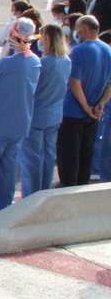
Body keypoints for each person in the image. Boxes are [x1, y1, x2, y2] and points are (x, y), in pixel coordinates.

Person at [0, 18, 41, 215]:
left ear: (14, 35)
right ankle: (4, 208)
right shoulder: (35, 61)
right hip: (20, 123)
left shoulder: (7, 62)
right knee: (8, 168)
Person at [57, 15, 111, 186]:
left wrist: (86, 107)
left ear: (85, 29)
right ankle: (81, 185)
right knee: (86, 152)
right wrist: (101, 103)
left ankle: (67, 186)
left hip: (73, 112)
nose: (76, 32)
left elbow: (75, 82)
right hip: (94, 113)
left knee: (68, 153)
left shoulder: (78, 51)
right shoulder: (107, 50)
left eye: (78, 29)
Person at [19, 25, 71, 197]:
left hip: (36, 115)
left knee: (32, 160)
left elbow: (28, 88)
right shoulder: (66, 61)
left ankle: (31, 196)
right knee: (48, 156)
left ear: (47, 39)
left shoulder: (43, 63)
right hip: (54, 114)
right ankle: (44, 192)